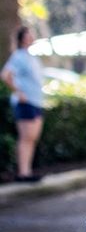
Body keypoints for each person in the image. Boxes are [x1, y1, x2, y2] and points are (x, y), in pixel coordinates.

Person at [2, 25, 45, 182]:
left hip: (36, 102)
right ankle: (23, 173)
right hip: (25, 103)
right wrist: (18, 92)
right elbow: (5, 75)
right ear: (22, 38)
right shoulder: (19, 56)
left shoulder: (31, 57)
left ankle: (27, 171)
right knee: (26, 138)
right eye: (28, 34)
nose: (31, 36)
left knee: (32, 138)